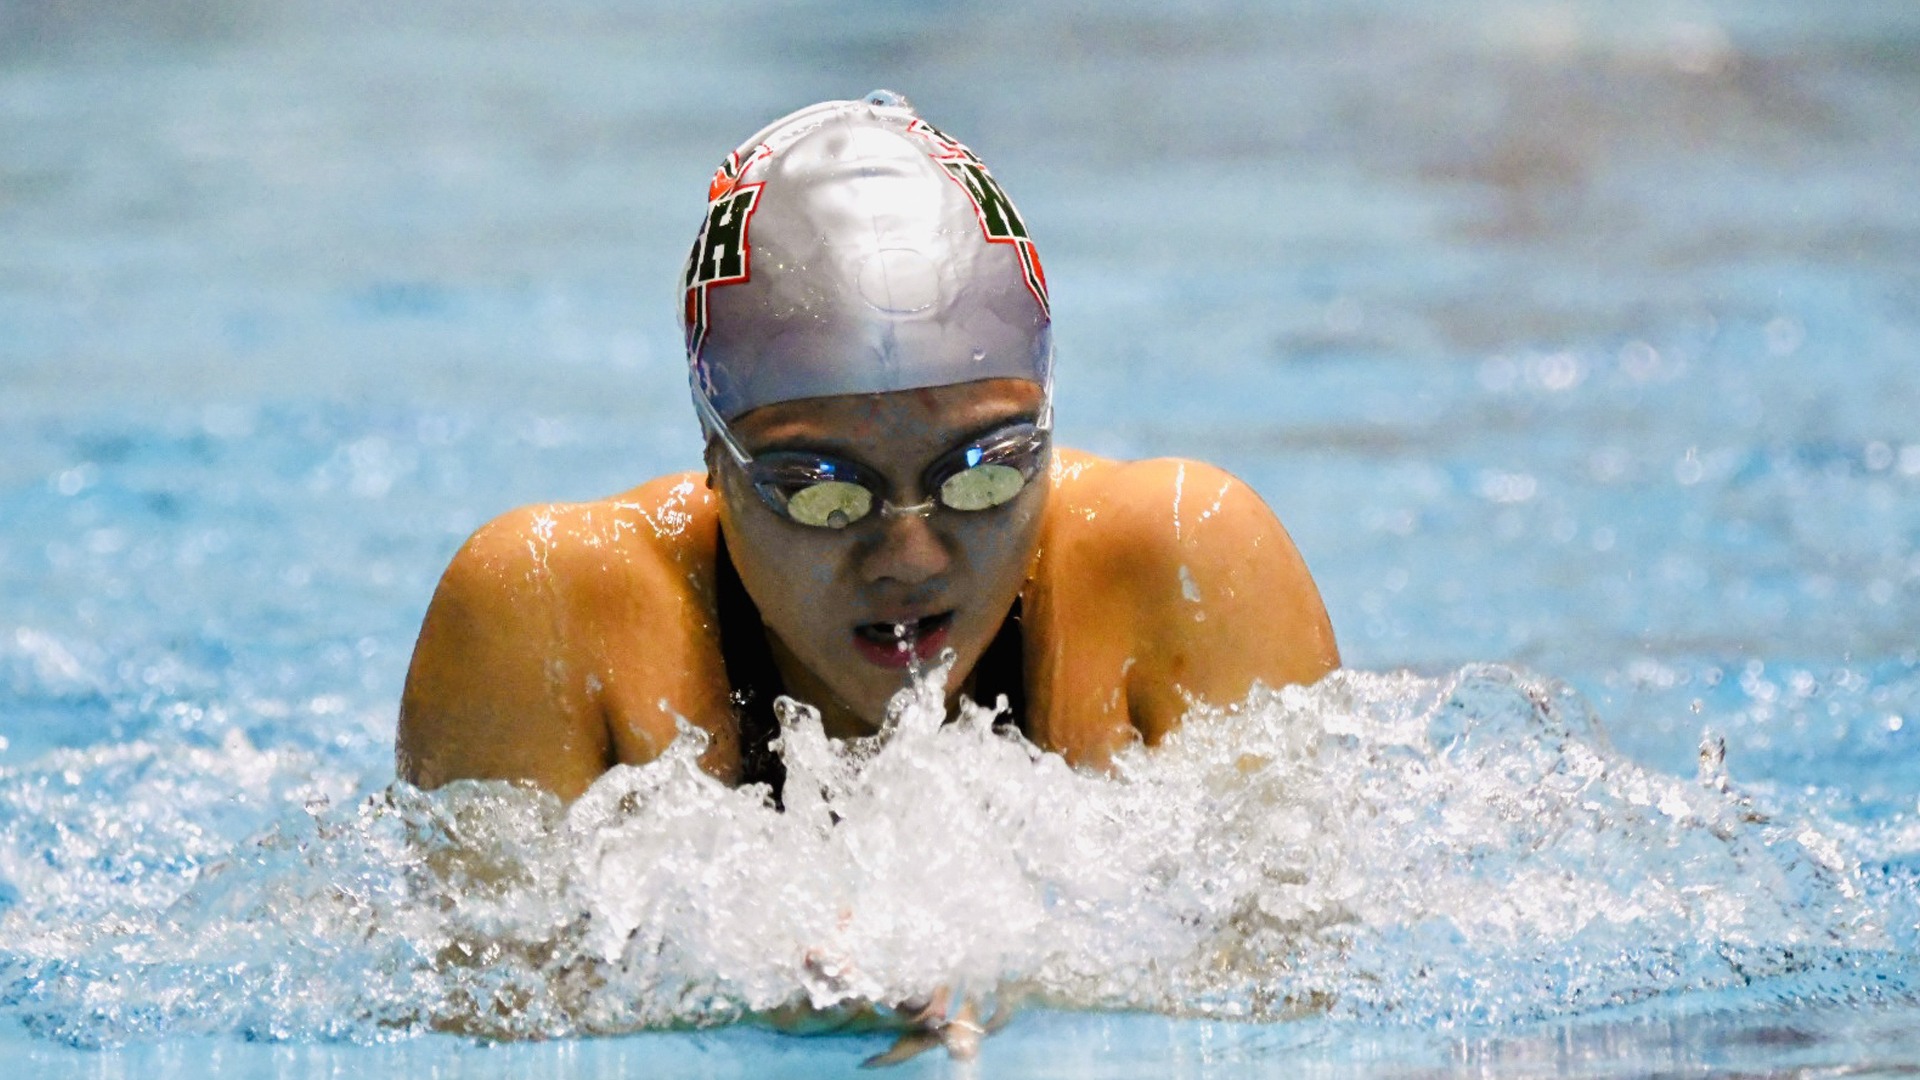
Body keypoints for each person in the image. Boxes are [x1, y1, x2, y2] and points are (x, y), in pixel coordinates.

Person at [396, 91, 1338, 806]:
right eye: (820, 492)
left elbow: (1294, 1001)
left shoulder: (1184, 565)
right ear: (714, 459)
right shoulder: (551, 615)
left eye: (984, 472)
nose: (909, 558)